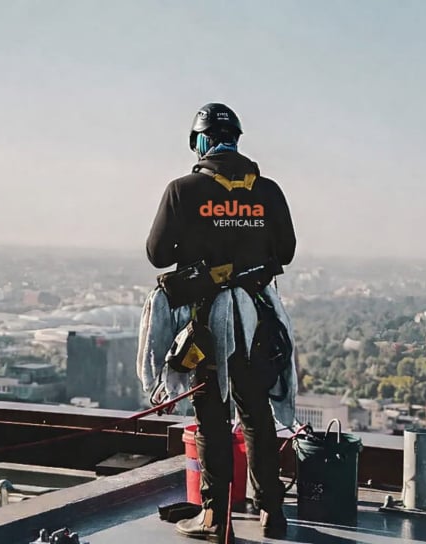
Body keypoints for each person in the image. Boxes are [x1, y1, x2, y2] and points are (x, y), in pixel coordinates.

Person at [146, 103, 296, 541]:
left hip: (208, 321)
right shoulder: (267, 191)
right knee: (256, 412)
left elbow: (158, 254)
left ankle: (214, 516)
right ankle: (272, 512)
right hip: (256, 318)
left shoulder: (182, 189)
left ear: (202, 142)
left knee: (212, 414)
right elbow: (284, 252)